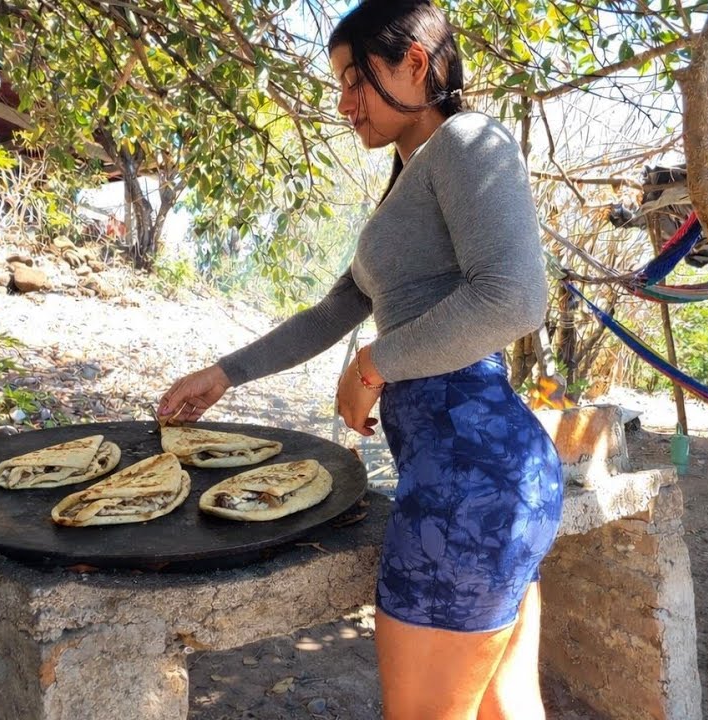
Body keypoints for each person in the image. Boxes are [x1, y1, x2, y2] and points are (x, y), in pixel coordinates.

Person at [157, 2, 563, 718]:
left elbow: (513, 300)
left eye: (355, 79)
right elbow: (330, 313)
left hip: (468, 482)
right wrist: (223, 374)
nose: (344, 104)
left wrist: (375, 362)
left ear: (414, 63)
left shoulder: (468, 140)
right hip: (485, 482)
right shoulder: (410, 184)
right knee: (506, 708)